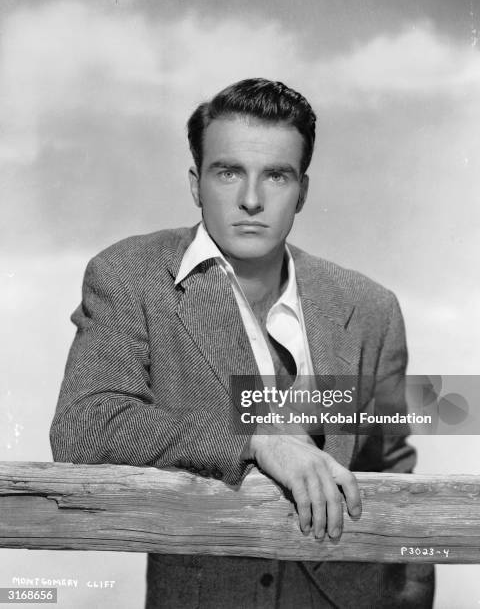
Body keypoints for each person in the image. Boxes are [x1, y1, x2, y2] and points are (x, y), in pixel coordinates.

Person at [50, 78, 435, 608]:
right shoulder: (130, 275)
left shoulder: (370, 307)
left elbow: (394, 471)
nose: (251, 199)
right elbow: (84, 427)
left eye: (276, 175)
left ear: (302, 190)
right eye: (228, 172)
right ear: (195, 183)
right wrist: (256, 439)